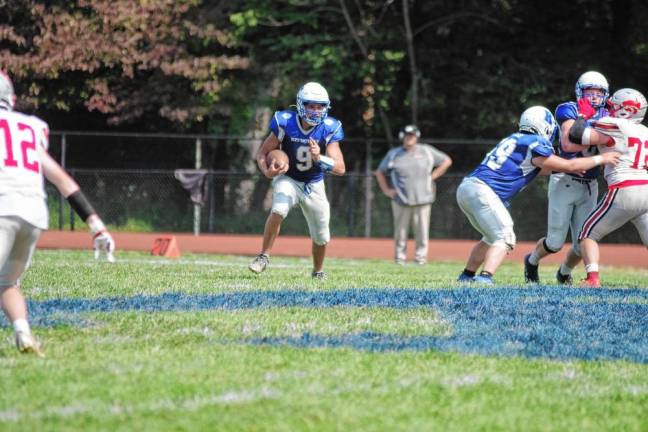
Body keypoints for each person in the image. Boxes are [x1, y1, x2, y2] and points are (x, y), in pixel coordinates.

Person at [0, 71, 115, 356]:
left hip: (3, 206)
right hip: (34, 213)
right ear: (12, 99)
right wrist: (96, 225)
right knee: (7, 282)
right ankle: (23, 332)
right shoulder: (31, 128)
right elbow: (61, 179)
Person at [456, 106, 620, 285]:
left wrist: (565, 166)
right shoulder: (535, 142)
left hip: (467, 187)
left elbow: (538, 169)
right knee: (504, 237)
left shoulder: (514, 139)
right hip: (484, 192)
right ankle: (485, 277)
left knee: (491, 237)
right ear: (546, 126)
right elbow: (568, 167)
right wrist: (601, 159)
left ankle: (467, 275)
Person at [248, 82, 345, 278]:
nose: (316, 110)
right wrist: (267, 171)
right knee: (278, 209)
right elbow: (262, 153)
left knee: (322, 235)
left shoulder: (329, 128)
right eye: (311, 105)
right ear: (301, 105)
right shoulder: (285, 121)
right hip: (289, 178)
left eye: (320, 106)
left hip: (314, 183)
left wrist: (320, 158)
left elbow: (340, 167)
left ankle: (318, 271)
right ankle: (263, 256)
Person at [524, 71, 610, 284]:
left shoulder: (609, 113)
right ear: (581, 91)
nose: (595, 97)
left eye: (599, 92)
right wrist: (598, 134)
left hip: (590, 184)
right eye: (590, 91)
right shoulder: (569, 109)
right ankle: (532, 261)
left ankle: (563, 273)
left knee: (584, 241)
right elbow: (567, 144)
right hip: (565, 181)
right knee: (554, 243)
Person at [567, 88, 648, 287]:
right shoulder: (645, 131)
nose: (609, 109)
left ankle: (592, 278)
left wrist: (582, 116)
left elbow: (577, 135)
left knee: (587, 234)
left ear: (625, 110)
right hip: (646, 188)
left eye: (613, 106)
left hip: (624, 188)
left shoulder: (616, 125)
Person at [374, 125, 452, 264]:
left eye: (412, 135)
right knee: (400, 233)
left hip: (423, 199)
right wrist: (387, 190)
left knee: (422, 232)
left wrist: (433, 176)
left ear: (417, 136)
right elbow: (380, 172)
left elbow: (447, 161)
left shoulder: (426, 151)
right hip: (400, 199)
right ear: (402, 136)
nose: (409, 137)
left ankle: (420, 259)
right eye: (407, 135)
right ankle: (400, 258)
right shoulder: (394, 153)